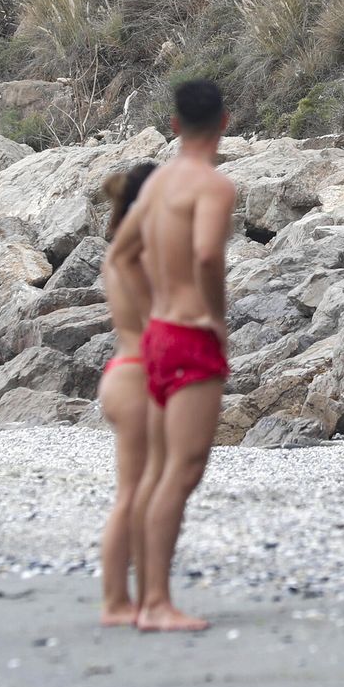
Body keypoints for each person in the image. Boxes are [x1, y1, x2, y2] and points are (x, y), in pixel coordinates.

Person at [107, 79, 236, 634]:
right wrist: (214, 315)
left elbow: (121, 253)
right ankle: (156, 602)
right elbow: (208, 254)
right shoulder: (213, 185)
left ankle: (143, 600)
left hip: (156, 333)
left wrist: (154, 300)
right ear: (225, 122)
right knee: (181, 472)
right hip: (188, 334)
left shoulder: (156, 182)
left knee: (158, 472)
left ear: (176, 125)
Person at [96, 160, 158, 628]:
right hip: (138, 375)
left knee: (134, 491)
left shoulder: (118, 253)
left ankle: (128, 596)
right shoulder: (139, 256)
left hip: (122, 369)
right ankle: (117, 599)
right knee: (134, 493)